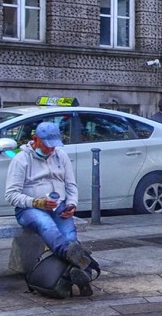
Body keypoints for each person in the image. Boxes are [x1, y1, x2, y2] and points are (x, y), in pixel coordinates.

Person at [5, 121, 97, 296]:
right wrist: (36, 202)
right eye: (47, 146)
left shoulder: (60, 156)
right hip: (29, 208)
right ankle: (84, 268)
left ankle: (76, 271)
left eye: (54, 146)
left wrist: (71, 204)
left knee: (70, 235)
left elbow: (71, 185)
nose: (51, 150)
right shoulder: (21, 159)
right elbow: (11, 195)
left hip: (58, 205)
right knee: (47, 226)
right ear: (35, 140)